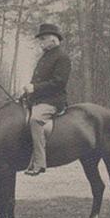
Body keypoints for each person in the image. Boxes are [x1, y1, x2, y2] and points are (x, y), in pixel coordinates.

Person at [20, 23, 71, 176]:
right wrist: (27, 93)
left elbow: (59, 82)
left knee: (35, 120)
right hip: (38, 99)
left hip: (53, 101)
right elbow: (38, 80)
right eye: (40, 39)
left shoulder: (62, 57)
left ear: (53, 39)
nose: (41, 42)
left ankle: (40, 163)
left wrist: (35, 88)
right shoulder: (45, 57)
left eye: (43, 39)